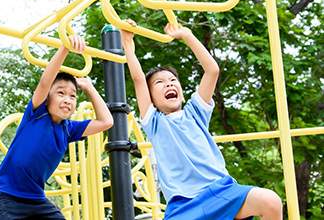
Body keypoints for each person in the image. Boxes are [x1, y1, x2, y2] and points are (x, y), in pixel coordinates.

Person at [121, 19, 283, 219]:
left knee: (271, 201)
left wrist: (187, 36)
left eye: (173, 80)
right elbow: (138, 79)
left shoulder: (195, 112)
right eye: (160, 83)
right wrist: (127, 43)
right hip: (183, 205)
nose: (169, 84)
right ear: (151, 98)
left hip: (220, 191)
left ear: (180, 90)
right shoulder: (154, 123)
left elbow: (212, 70)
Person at [0, 35, 113, 219]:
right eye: (61, 93)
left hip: (36, 200)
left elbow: (106, 122)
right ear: (48, 98)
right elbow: (46, 81)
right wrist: (65, 47)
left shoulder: (69, 129)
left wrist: (89, 88)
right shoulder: (37, 114)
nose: (67, 99)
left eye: (72, 96)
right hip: (6, 196)